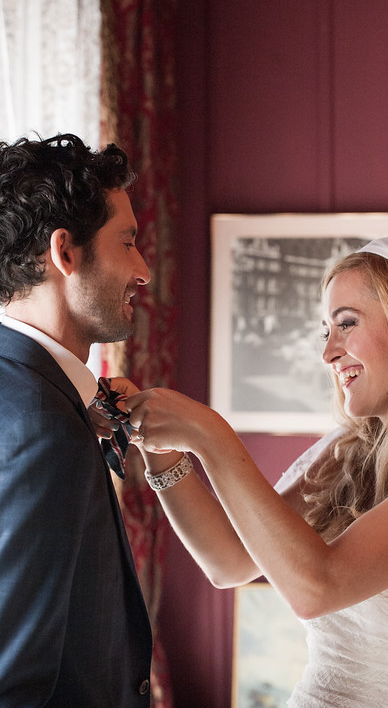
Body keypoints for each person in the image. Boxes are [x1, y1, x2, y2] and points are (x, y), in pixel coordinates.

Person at [97, 235, 388, 706]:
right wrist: (162, 446)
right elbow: (228, 561)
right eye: (325, 331)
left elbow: (318, 585)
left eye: (346, 324)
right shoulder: (348, 452)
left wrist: (211, 433)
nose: (328, 353)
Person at [0, 134, 153, 706]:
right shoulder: (40, 425)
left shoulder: (31, 396)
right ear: (65, 252)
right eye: (129, 242)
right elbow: (13, 675)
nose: (143, 270)